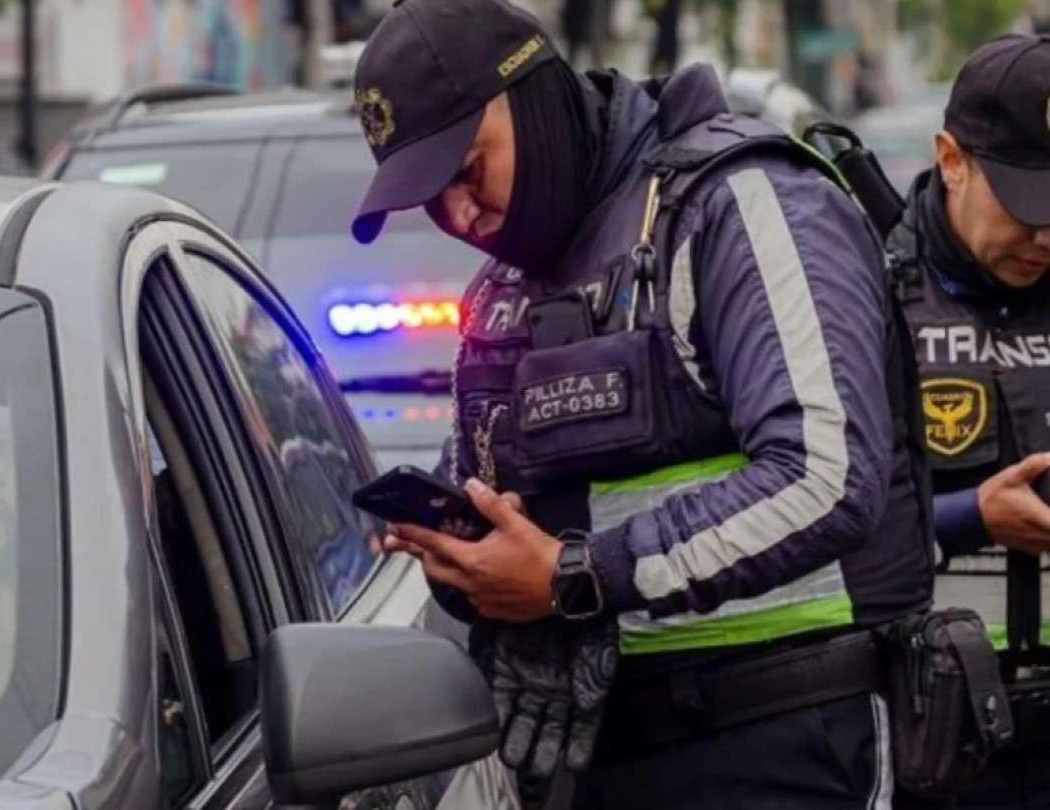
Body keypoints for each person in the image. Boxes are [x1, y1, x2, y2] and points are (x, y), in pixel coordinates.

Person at [350, 0, 933, 807]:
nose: (457, 216)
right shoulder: (499, 293)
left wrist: (576, 578)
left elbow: (826, 476)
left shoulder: (740, 202)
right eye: (428, 198)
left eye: (467, 170)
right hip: (600, 751)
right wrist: (470, 565)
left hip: (791, 738)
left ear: (531, 98)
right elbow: (501, 496)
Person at [886, 33, 1050, 809]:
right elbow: (824, 524)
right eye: (1027, 206)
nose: (1046, 238)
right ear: (952, 160)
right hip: (935, 735)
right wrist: (972, 517)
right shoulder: (866, 296)